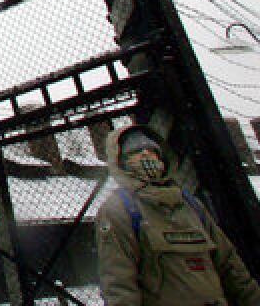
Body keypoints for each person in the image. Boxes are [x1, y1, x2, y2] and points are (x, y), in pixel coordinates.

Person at [96, 124, 260, 306]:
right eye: (135, 152)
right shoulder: (119, 210)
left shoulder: (191, 206)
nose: (145, 155)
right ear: (121, 162)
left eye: (151, 150)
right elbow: (119, 284)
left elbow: (230, 266)